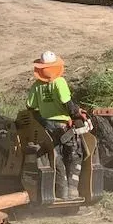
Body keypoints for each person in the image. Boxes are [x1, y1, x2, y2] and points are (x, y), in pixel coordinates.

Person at [26, 51, 86, 200]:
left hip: (47, 126)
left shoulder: (36, 86)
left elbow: (30, 107)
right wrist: (78, 114)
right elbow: (68, 104)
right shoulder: (60, 82)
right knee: (74, 155)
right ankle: (72, 190)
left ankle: (61, 191)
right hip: (64, 126)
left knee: (56, 157)